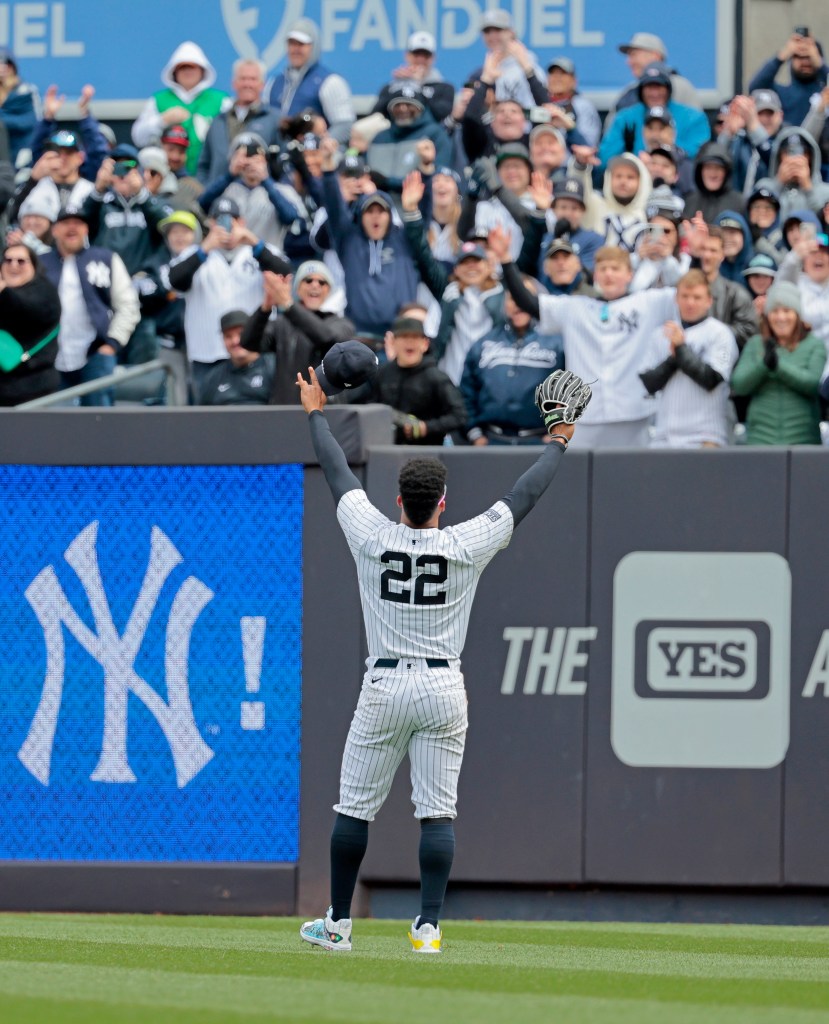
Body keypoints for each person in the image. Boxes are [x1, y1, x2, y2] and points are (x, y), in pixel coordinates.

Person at [295, 358, 582, 954]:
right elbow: (522, 495)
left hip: (384, 683)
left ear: (400, 500)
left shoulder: (373, 535)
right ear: (442, 503)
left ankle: (339, 925)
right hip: (444, 686)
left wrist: (317, 413)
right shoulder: (464, 543)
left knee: (355, 807)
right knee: (437, 811)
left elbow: (335, 470)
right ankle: (427, 927)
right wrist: (557, 441)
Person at [493, 227, 678, 447]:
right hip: (585, 416)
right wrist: (505, 260)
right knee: (580, 478)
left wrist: (680, 258)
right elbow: (528, 302)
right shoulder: (575, 306)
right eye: (603, 269)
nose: (609, 274)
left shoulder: (649, 303)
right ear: (595, 274)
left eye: (616, 269)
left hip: (633, 412)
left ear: (629, 274)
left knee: (632, 477)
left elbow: (691, 295)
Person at [164, 195, 292, 387]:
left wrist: (253, 241)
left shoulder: (259, 251)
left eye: (231, 221)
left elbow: (285, 273)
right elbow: (174, 281)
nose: (226, 228)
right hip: (207, 355)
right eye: (219, 221)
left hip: (255, 353)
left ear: (241, 222)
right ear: (211, 223)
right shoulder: (194, 254)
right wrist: (205, 247)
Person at [40, 207, 140, 406]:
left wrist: (112, 344)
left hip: (96, 354)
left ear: (86, 229)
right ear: (54, 230)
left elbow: (128, 304)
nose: (72, 228)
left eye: (78, 223)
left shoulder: (106, 259)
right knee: (52, 425)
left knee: (99, 423)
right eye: (66, 223)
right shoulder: (39, 263)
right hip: (50, 358)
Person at [639, 269, 738, 448]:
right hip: (664, 436)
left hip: (706, 436)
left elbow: (712, 379)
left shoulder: (721, 333)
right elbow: (649, 383)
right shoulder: (660, 334)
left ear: (709, 301)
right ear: (676, 298)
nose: (690, 302)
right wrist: (674, 357)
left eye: (697, 297)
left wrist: (681, 349)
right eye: (685, 296)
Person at [461, 277, 564, 444]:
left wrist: (558, 430)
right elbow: (465, 393)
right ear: (504, 303)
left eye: (524, 296)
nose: (518, 302)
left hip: (539, 442)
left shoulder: (558, 344)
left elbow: (572, 390)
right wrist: (475, 435)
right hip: (492, 441)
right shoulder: (484, 344)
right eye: (512, 297)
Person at [240, 260, 355, 403]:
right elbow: (248, 342)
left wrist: (288, 305)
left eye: (322, 282)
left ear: (328, 290)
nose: (315, 285)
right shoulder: (282, 323)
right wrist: (265, 307)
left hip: (325, 410)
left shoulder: (341, 324)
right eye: (308, 280)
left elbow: (328, 338)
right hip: (287, 410)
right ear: (298, 288)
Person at [730, 281, 824, 445]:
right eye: (775, 311)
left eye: (787, 311)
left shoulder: (814, 344)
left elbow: (812, 383)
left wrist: (778, 366)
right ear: (767, 315)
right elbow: (739, 385)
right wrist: (762, 366)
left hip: (803, 440)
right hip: (761, 440)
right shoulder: (755, 344)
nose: (781, 317)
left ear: (797, 314)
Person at [351, 315, 467, 444]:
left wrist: (426, 427)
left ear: (425, 344)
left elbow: (459, 415)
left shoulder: (437, 378)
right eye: (404, 336)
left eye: (415, 337)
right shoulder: (382, 374)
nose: (410, 342)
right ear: (393, 342)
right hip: (387, 450)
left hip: (426, 452)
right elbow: (368, 407)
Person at [132, 42, 228, 175]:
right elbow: (138, 137)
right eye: (183, 67)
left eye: (193, 67)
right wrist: (162, 120)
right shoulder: (158, 100)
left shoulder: (221, 100)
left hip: (209, 177)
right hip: (166, 178)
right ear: (174, 71)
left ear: (203, 70)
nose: (188, 71)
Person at [598, 63, 710, 172]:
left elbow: (703, 158)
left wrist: (671, 148)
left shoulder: (693, 117)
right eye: (649, 87)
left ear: (668, 89)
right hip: (635, 185)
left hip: (680, 185)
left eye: (659, 86)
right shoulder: (625, 118)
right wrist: (631, 156)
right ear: (641, 90)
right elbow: (604, 161)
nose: (654, 93)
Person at [264, 20, 355, 145]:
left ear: (314, 47)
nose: (295, 49)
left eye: (301, 44)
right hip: (281, 157)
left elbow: (345, 125)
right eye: (292, 44)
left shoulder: (330, 82)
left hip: (314, 159)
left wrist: (322, 145)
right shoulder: (274, 83)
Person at [197, 59, 282, 184]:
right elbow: (203, 165)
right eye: (243, 79)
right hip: (218, 198)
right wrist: (206, 192)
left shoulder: (274, 119)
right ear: (234, 83)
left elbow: (283, 164)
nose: (247, 84)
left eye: (253, 79)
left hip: (259, 197)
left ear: (262, 84)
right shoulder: (218, 121)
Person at [0, 242, 61, 406]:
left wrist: (4, 292)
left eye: (21, 261)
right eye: (8, 260)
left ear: (34, 265)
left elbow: (26, 309)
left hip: (34, 389)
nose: (13, 265)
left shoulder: (44, 290)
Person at [748, 29, 828, 126]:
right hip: (787, 140)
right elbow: (756, 87)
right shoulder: (780, 94)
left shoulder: (825, 94)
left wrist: (820, 63)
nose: (805, 62)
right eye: (799, 57)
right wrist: (781, 56)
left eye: (809, 57)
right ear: (790, 61)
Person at [372, 32, 455, 126]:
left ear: (433, 58)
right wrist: (399, 85)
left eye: (425, 55)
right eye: (416, 54)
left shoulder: (445, 88)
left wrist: (416, 84)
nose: (420, 60)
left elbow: (441, 115)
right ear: (407, 56)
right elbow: (377, 115)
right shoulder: (391, 86)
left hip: (429, 136)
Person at [194, 309, 274, 405]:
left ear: (252, 333)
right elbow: (201, 416)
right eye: (228, 336)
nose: (235, 341)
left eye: (240, 334)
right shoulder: (213, 378)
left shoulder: (273, 367)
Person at [612, 32, 701, 115]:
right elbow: (611, 128)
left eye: (634, 55)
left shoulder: (680, 86)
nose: (629, 62)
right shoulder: (629, 91)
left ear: (655, 56)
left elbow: (696, 126)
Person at [545, 57, 601, 149]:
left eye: (563, 73)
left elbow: (589, 146)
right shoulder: (540, 104)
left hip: (571, 161)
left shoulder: (583, 106)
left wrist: (569, 127)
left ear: (574, 80)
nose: (557, 78)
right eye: (553, 73)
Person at [0, 47, 38, 168]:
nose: (3, 69)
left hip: (21, 156)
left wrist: (2, 119)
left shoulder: (25, 92)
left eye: (6, 64)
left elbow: (30, 121)